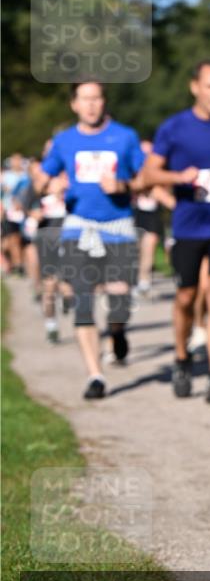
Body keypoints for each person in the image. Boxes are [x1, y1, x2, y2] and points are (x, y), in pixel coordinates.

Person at [34, 81, 145, 399]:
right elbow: (40, 177)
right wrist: (49, 185)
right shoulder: (64, 140)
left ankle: (117, 331)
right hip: (79, 227)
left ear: (104, 101)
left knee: (119, 300)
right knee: (83, 301)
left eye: (96, 98)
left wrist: (123, 186)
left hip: (119, 226)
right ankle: (95, 376)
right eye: (85, 99)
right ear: (74, 104)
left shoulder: (125, 136)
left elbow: (145, 178)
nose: (91, 105)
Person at [142, 61, 210, 403]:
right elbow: (149, 174)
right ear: (195, 87)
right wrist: (178, 177)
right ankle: (182, 358)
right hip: (188, 223)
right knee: (186, 296)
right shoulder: (174, 128)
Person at [133, 139, 176, 298]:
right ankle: (135, 279)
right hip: (134, 214)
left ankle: (144, 281)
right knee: (136, 248)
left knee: (149, 245)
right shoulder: (131, 171)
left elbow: (168, 196)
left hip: (154, 214)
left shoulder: (161, 171)